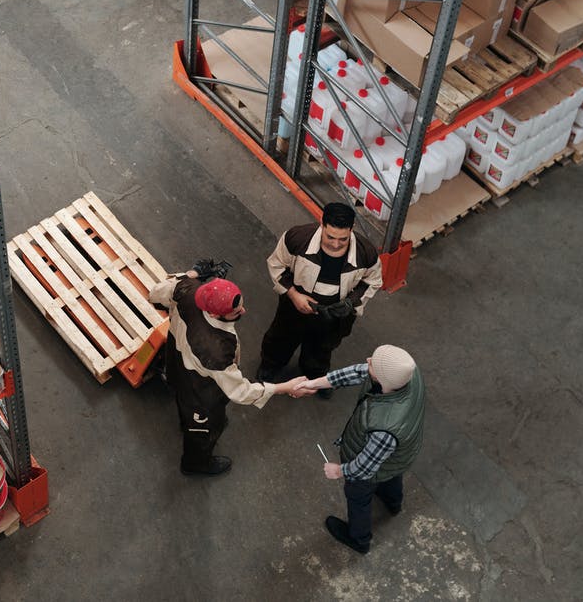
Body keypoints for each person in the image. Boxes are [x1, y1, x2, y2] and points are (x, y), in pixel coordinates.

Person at [149, 267, 307, 476]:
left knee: (181, 397)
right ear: (214, 313)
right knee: (204, 430)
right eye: (236, 312)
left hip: (177, 364)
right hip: (200, 390)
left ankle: (185, 422)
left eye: (241, 305)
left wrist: (193, 273)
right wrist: (282, 387)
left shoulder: (187, 287)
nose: (243, 311)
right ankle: (195, 464)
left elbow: (155, 293)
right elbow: (240, 391)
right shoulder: (215, 351)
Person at [295, 344, 425, 554]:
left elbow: (364, 468)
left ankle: (359, 539)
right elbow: (358, 372)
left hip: (375, 464)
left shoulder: (385, 430)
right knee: (391, 475)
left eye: (372, 363)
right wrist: (315, 384)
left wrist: (339, 471)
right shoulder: (407, 372)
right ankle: (393, 504)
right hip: (400, 456)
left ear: (381, 379)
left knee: (358, 497)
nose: (367, 360)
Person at [258, 202, 383, 398]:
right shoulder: (297, 239)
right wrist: (293, 295)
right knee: (280, 338)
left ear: (352, 229)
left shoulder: (366, 254)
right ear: (322, 224)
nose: (335, 244)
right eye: (330, 236)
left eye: (342, 239)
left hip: (334, 314)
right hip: (294, 307)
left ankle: (315, 377)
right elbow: (276, 265)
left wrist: (351, 302)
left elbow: (372, 282)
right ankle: (270, 366)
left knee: (322, 348)